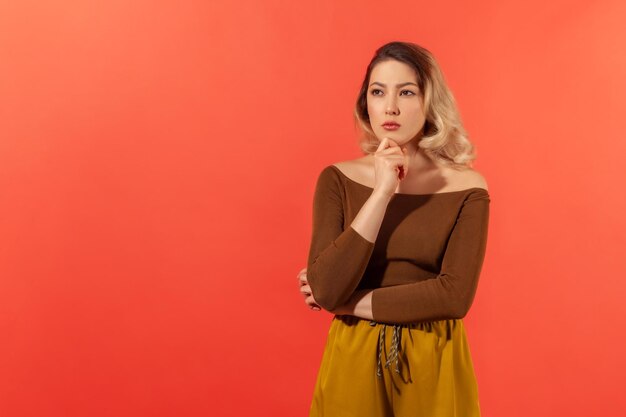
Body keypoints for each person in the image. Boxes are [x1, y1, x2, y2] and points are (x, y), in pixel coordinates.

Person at [297, 41, 490, 417]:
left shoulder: (468, 187)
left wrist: (344, 302)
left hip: (434, 357)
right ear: (364, 102)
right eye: (378, 91)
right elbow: (326, 285)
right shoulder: (337, 179)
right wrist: (383, 191)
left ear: (429, 101)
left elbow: (454, 297)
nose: (390, 107)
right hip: (353, 357)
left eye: (406, 92)